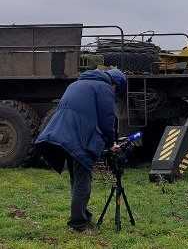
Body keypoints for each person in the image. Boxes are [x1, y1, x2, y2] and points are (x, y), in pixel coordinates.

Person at [35, 68, 126, 232]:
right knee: (83, 181)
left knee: (76, 180)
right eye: (116, 90)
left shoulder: (77, 84)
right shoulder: (104, 87)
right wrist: (112, 142)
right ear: (115, 84)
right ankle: (79, 224)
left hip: (61, 135)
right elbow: (107, 119)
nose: (115, 93)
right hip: (77, 138)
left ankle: (82, 215)